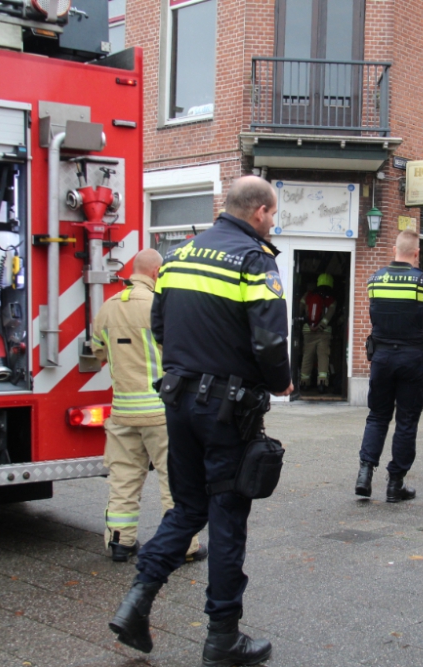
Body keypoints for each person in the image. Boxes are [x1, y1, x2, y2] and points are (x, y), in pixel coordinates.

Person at [109, 176, 293, 665]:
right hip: (226, 410)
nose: (272, 222)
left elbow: (161, 328)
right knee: (227, 515)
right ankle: (222, 638)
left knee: (187, 509)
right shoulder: (256, 258)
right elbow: (271, 340)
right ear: (258, 212)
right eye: (272, 214)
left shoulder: (179, 256)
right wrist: (281, 381)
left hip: (177, 400)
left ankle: (136, 601)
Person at [91, 249, 206, 564]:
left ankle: (120, 542)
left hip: (122, 411)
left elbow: (98, 353)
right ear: (157, 273)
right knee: (175, 479)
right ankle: (183, 545)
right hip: (161, 411)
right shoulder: (160, 307)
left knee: (124, 478)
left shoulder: (107, 308)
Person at [355, 230, 423, 503]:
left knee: (377, 416)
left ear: (394, 249)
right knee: (406, 421)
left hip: (381, 358)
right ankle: (395, 485)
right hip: (411, 359)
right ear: (416, 253)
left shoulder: (374, 280)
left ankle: (365, 474)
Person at [299, 273, 337, 393]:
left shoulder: (308, 296)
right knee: (323, 357)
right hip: (324, 332)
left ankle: (304, 382)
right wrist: (320, 326)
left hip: (307, 330)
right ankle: (322, 383)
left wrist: (308, 324)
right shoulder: (331, 299)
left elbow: (299, 309)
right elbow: (329, 315)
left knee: (307, 356)